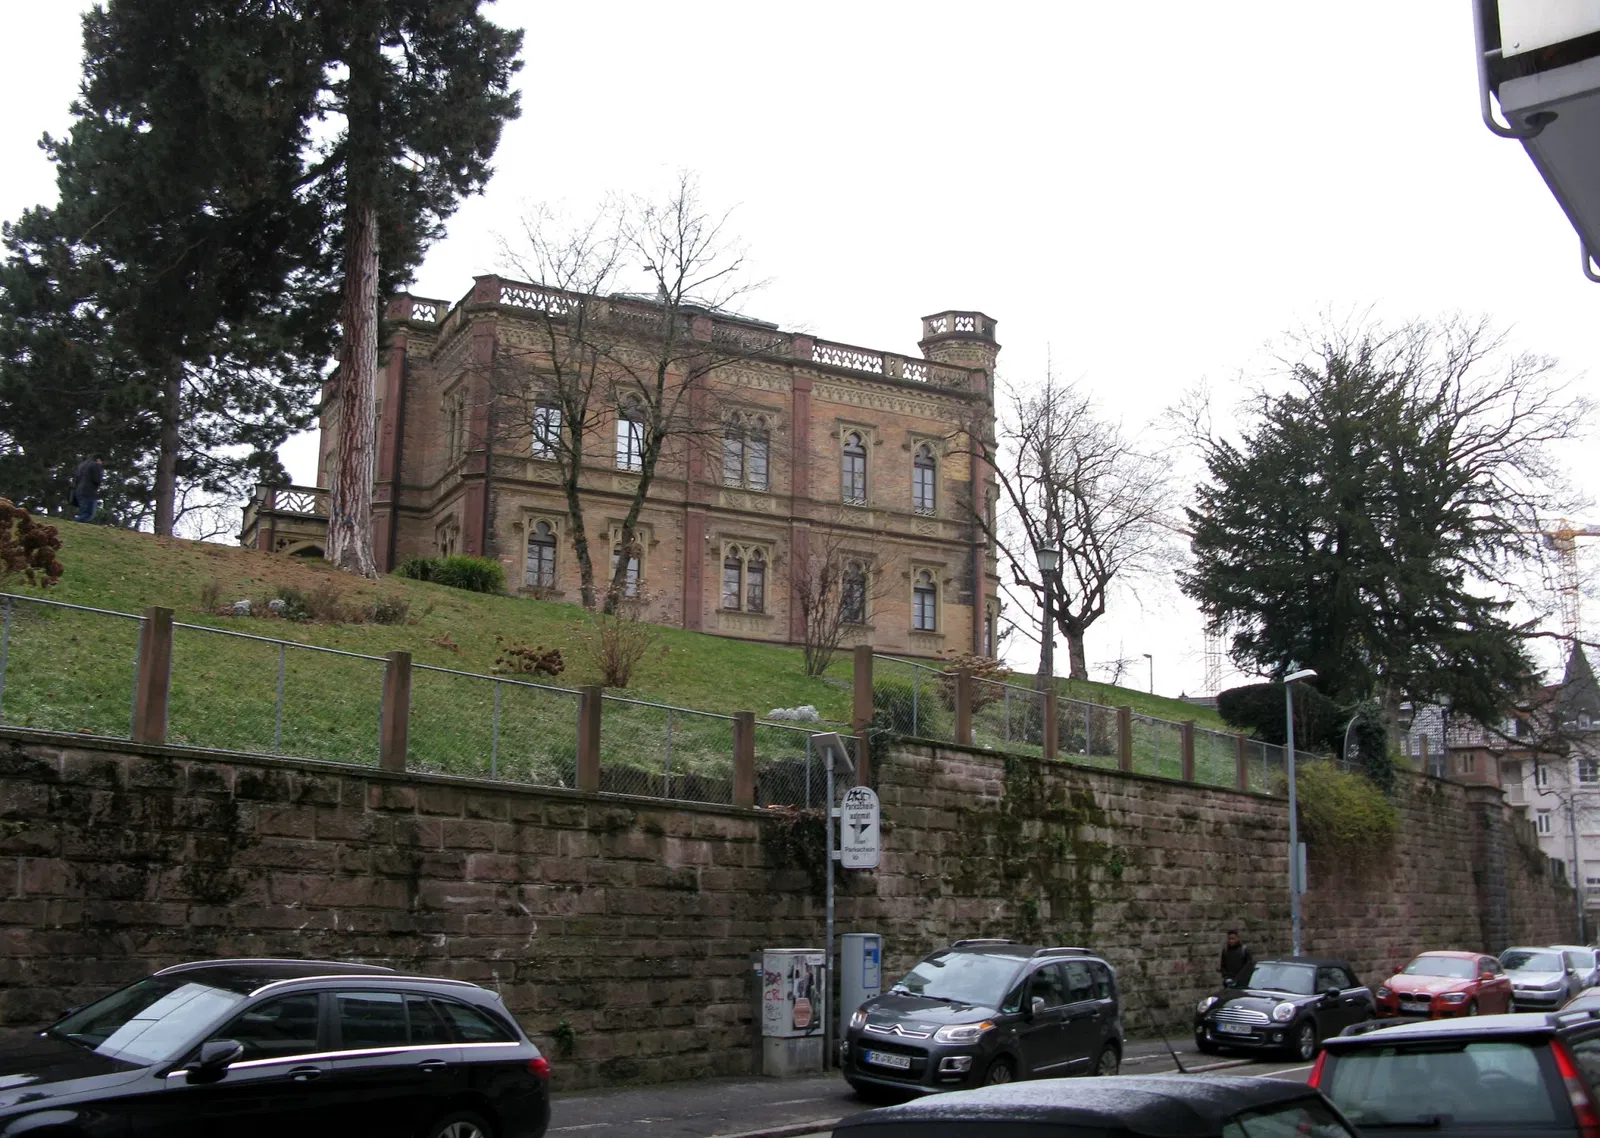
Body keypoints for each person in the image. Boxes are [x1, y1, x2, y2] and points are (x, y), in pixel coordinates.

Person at [71, 454, 104, 523]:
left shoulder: (81, 465)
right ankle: (73, 523)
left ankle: (76, 526)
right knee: (89, 514)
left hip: (79, 490)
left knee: (83, 512)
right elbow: (97, 480)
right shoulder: (96, 465)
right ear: (98, 460)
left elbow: (76, 479)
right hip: (89, 491)